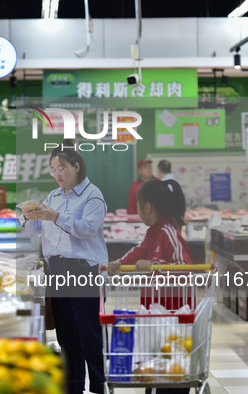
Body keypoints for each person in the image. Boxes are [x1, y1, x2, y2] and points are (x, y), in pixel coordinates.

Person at [20, 141, 107, 394]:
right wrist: (28, 216)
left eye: (62, 168)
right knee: (66, 333)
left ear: (76, 166)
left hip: (82, 271)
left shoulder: (93, 196)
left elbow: (87, 229)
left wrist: (55, 217)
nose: (58, 174)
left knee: (88, 331)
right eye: (53, 169)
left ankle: (99, 385)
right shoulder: (53, 197)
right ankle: (73, 387)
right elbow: (39, 228)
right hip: (55, 269)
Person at [108, 179, 191, 394]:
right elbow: (138, 252)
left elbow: (185, 268)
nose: (137, 211)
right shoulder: (153, 231)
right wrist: (119, 263)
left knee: (172, 363)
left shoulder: (169, 231)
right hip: (155, 312)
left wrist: (155, 265)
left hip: (173, 313)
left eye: (138, 206)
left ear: (147, 207)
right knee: (155, 363)